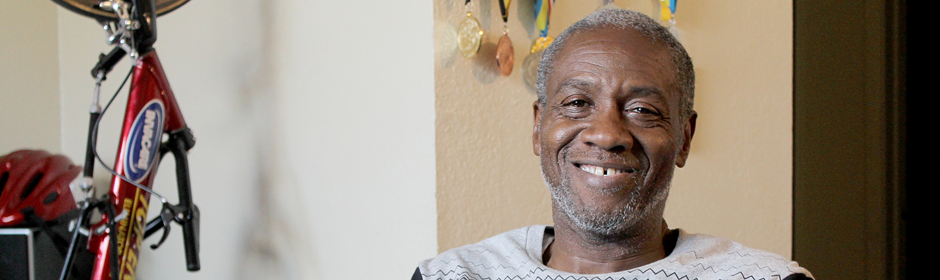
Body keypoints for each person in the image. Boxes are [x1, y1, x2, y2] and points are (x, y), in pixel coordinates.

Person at [413, 8, 813, 280]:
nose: (606, 134)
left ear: (684, 139)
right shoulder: (457, 274)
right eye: (577, 103)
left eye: (643, 109)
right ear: (538, 127)